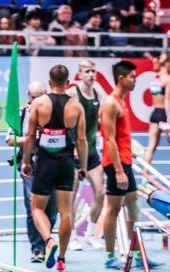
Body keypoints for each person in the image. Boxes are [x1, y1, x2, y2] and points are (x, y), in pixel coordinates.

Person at [22, 65, 88, 272]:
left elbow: (31, 137)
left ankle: (49, 241)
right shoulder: (76, 107)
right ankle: (61, 259)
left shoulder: (39, 104)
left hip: (44, 162)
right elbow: (82, 140)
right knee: (66, 212)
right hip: (67, 162)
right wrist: (83, 166)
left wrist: (25, 161)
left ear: (49, 83)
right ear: (67, 83)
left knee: (37, 208)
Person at [100, 60, 162, 269]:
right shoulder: (110, 103)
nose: (135, 80)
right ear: (121, 78)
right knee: (114, 209)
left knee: (134, 206)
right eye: (133, 77)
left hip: (125, 162)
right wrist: (118, 171)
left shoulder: (121, 101)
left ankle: (136, 254)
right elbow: (108, 139)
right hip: (115, 165)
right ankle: (109, 256)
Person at [6, 81, 58, 263]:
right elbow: (10, 140)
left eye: (41, 96)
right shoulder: (21, 113)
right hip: (30, 165)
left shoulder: (54, 110)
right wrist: (29, 139)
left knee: (52, 210)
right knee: (32, 207)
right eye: (34, 97)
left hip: (52, 163)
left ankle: (48, 242)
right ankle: (38, 249)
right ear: (28, 96)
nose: (37, 100)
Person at [66, 60, 105, 250]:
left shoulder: (98, 94)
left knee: (100, 192)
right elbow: (62, 116)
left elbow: (99, 122)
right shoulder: (73, 93)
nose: (91, 75)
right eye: (87, 71)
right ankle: (72, 236)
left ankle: (90, 234)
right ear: (80, 73)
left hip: (91, 152)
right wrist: (70, 143)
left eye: (93, 71)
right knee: (71, 195)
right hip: (74, 152)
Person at [144, 53, 170, 173]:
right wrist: (169, 118)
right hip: (165, 114)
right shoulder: (169, 79)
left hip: (155, 113)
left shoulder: (155, 78)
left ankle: (145, 179)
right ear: (167, 63)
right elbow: (167, 99)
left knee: (151, 146)